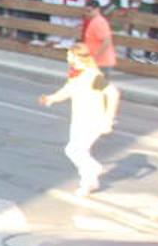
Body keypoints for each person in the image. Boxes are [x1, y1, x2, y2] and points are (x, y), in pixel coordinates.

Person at [38, 44, 120, 196]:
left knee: (74, 150)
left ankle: (92, 171)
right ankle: (90, 181)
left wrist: (108, 119)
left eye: (70, 55)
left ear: (77, 57)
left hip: (92, 119)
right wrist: (51, 99)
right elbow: (67, 91)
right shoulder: (77, 75)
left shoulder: (93, 76)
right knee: (78, 150)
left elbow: (113, 93)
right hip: (79, 118)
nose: (68, 58)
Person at [81, 1, 116, 72]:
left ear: (97, 10)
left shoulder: (99, 22)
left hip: (101, 62)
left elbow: (106, 41)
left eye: (89, 11)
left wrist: (95, 56)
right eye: (86, 11)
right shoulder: (95, 21)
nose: (87, 13)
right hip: (99, 61)